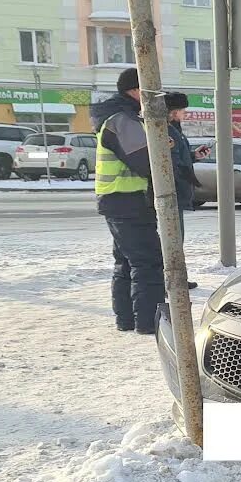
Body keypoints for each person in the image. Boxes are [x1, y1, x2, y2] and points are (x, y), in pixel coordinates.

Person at [92, 67, 164, 335]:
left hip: (119, 201)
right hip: (129, 202)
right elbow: (147, 162)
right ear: (135, 91)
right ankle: (149, 322)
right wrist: (162, 153)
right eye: (150, 93)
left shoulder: (120, 118)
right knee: (148, 263)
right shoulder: (122, 120)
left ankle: (127, 319)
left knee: (126, 262)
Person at [162, 92, 199, 291]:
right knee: (173, 240)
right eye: (183, 111)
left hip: (177, 193)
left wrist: (194, 156)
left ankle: (176, 280)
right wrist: (186, 174)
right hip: (173, 193)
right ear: (174, 112)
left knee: (176, 239)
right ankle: (173, 282)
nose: (184, 114)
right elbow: (173, 161)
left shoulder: (175, 130)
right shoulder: (168, 131)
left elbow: (180, 158)